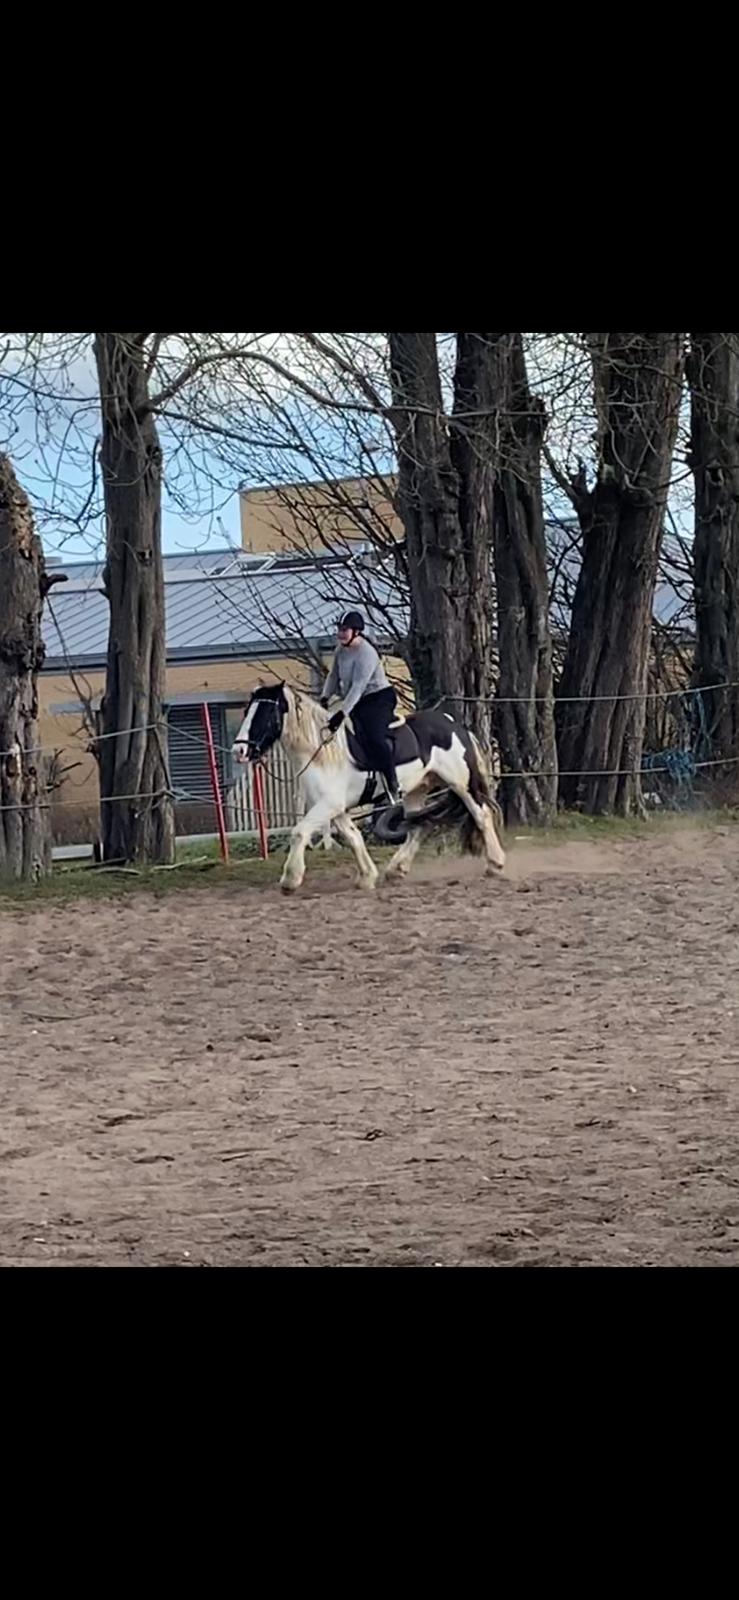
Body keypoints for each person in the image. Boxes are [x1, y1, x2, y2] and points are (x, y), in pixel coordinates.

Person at [320, 610, 402, 804]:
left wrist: (341, 714)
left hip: (378, 699)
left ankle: (393, 782)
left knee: (374, 736)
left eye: (344, 630)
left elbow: (358, 687)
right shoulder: (340, 649)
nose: (340, 634)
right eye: (339, 630)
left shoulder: (367, 653)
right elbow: (333, 676)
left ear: (356, 631)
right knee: (352, 736)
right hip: (358, 700)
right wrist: (324, 697)